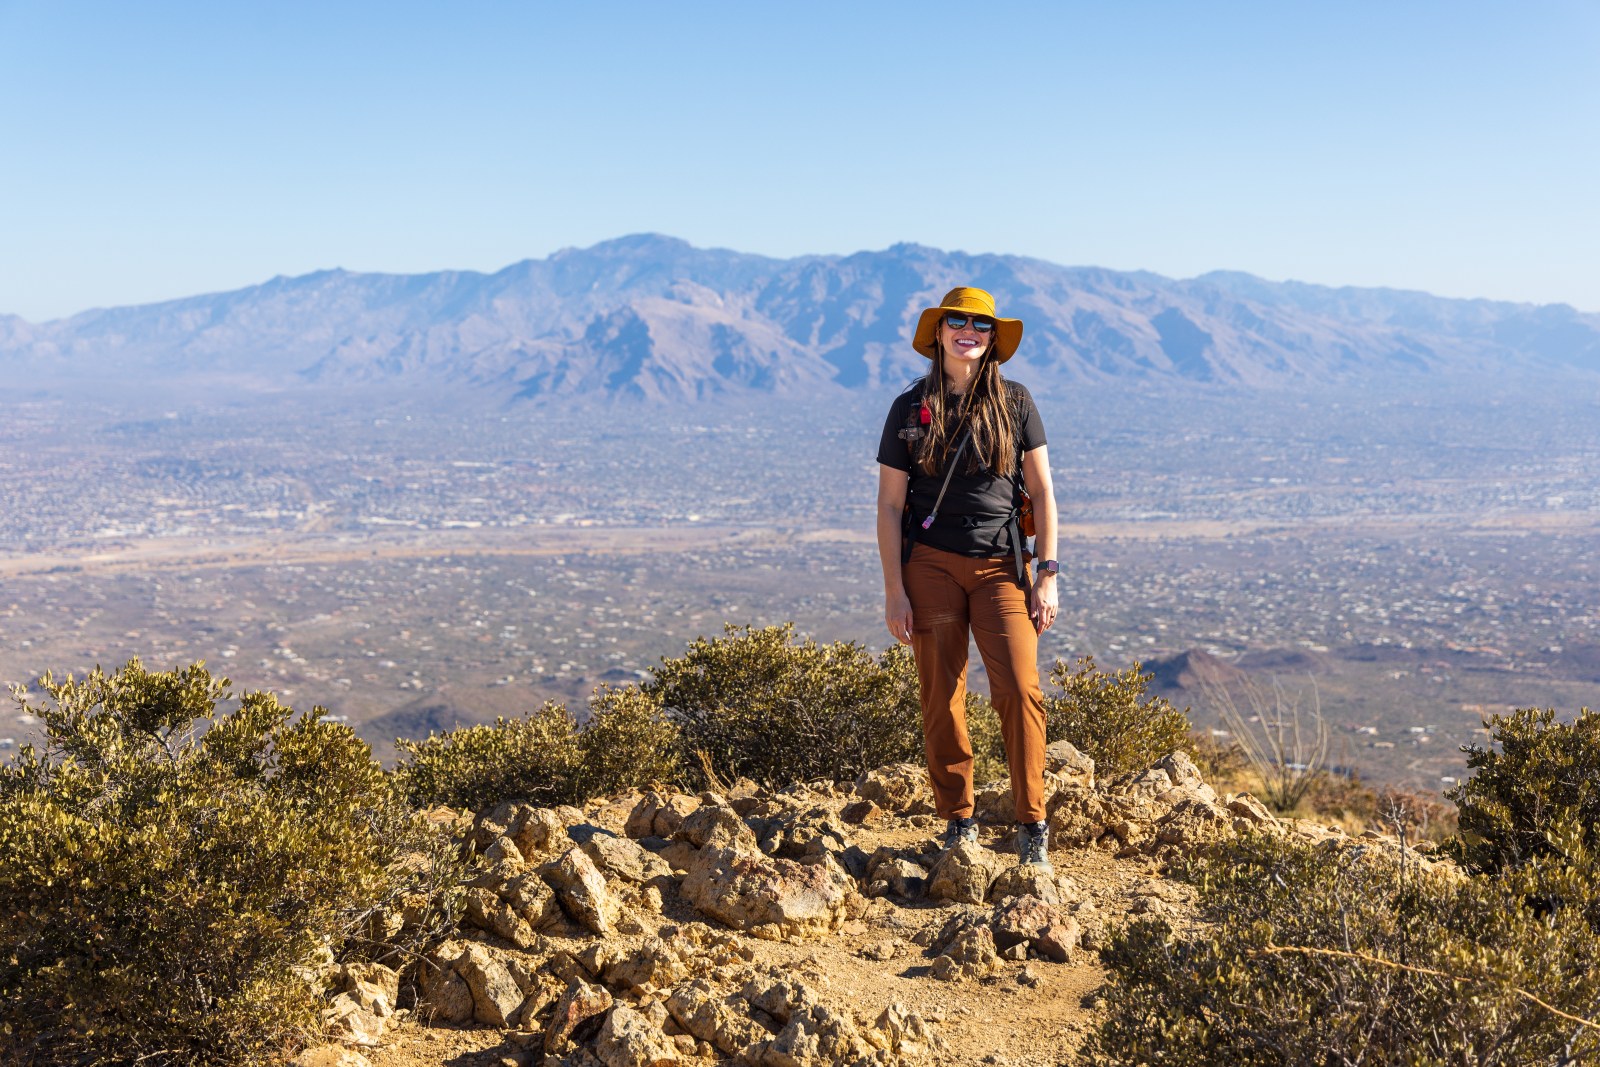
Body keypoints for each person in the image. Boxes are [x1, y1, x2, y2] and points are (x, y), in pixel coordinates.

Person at [875, 287, 1059, 868]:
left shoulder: (1016, 401)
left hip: (1003, 565)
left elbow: (1045, 491)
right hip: (928, 564)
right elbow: (887, 505)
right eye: (958, 321)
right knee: (941, 695)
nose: (968, 331)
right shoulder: (908, 409)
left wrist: (1047, 573)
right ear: (938, 332)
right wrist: (894, 590)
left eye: (981, 324)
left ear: (992, 337)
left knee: (1020, 690)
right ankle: (959, 821)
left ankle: (1033, 823)